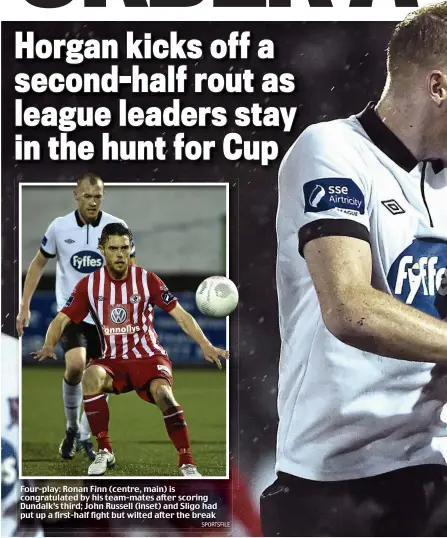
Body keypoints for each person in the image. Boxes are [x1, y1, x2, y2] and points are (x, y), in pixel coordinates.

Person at [261, 3, 447, 536]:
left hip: (432, 472)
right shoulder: (332, 150)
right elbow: (350, 308)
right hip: (336, 487)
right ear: (438, 85)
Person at [33, 222, 228, 477]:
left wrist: (205, 344)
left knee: (164, 396)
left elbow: (181, 315)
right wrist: (49, 344)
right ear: (102, 249)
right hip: (112, 361)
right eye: (113, 248)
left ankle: (187, 463)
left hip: (148, 356)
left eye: (125, 248)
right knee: (90, 376)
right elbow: (61, 320)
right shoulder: (89, 286)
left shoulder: (147, 280)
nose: (120, 254)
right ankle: (104, 450)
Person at [17, 173, 135, 462]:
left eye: (98, 197)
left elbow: (131, 267)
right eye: (88, 196)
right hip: (72, 313)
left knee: (102, 376)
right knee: (75, 366)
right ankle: (72, 427)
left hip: (107, 317)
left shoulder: (116, 227)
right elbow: (38, 263)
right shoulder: (59, 227)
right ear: (76, 195)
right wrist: (24, 305)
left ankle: (82, 433)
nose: (93, 202)